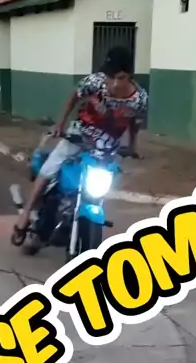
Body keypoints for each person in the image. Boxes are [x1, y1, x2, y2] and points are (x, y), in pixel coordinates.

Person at [12, 45, 148, 245]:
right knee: (49, 168)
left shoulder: (139, 99)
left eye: (119, 78)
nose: (112, 83)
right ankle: (25, 215)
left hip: (105, 148)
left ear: (129, 76)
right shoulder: (95, 82)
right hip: (79, 134)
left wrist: (132, 146)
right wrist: (60, 125)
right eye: (109, 77)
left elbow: (134, 123)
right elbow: (74, 96)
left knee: (100, 187)